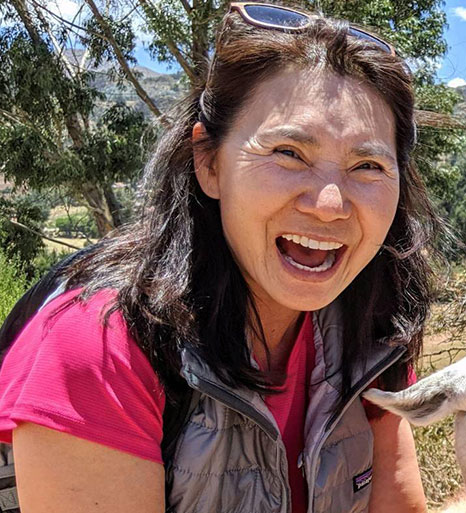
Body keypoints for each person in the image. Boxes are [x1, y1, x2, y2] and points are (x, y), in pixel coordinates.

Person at [0, 3, 435, 512]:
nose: (330, 206)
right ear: (209, 163)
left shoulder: (370, 328)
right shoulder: (100, 346)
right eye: (289, 153)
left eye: (367, 165)